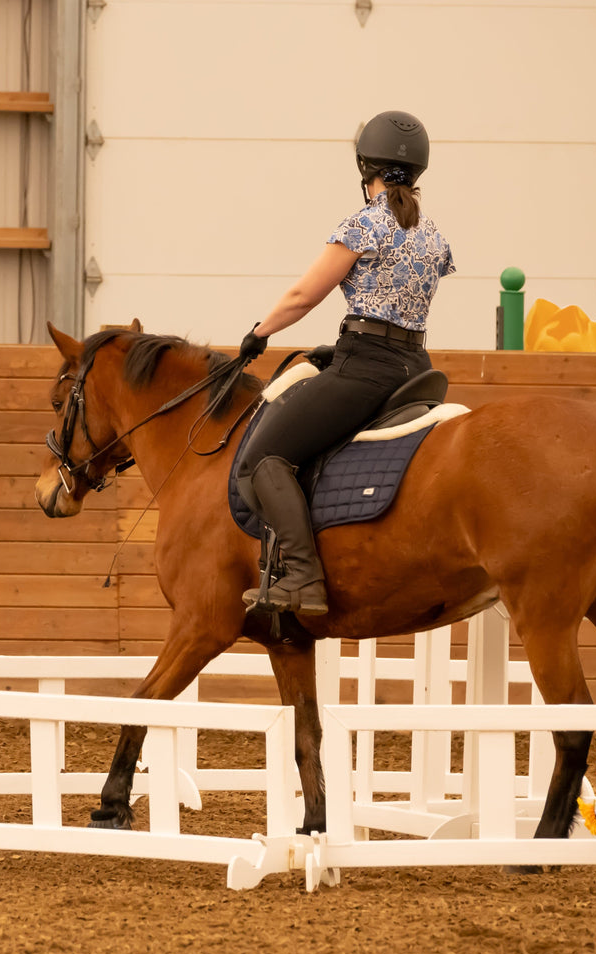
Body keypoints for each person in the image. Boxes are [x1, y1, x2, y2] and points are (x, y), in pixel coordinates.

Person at [235, 109, 455, 617]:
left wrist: (259, 334)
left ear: (364, 166)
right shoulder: (434, 236)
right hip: (416, 367)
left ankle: (303, 579)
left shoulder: (363, 225)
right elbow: (397, 309)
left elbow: (302, 297)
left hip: (366, 369)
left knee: (263, 458)